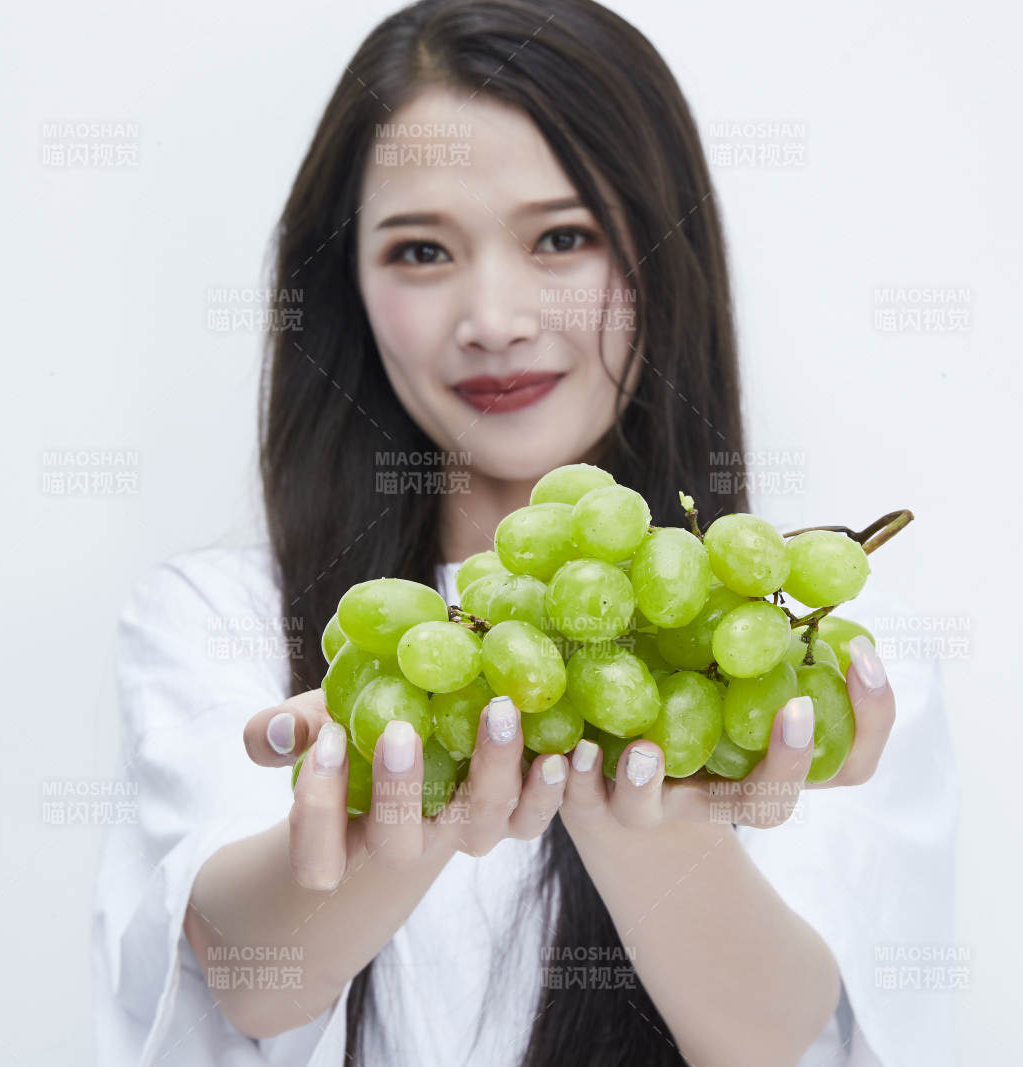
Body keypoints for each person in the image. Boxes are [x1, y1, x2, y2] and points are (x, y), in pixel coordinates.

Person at [91, 1, 959, 1064]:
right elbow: (250, 977)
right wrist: (399, 819)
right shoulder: (221, 618)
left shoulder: (789, 634)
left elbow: (767, 1034)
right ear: (346, 285)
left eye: (562, 237)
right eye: (420, 250)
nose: (493, 315)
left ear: (662, 250)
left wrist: (648, 808)